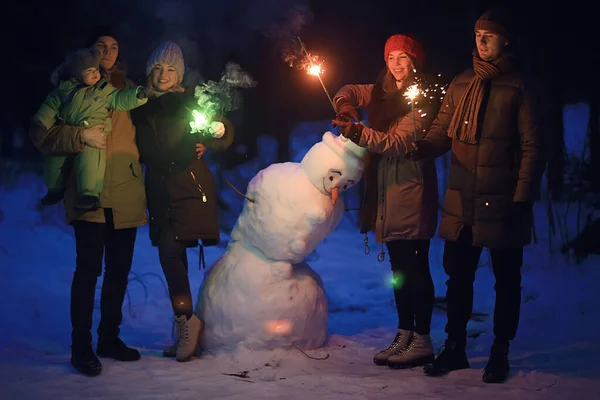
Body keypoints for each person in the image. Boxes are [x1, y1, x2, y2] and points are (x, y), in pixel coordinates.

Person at [406, 9, 543, 383]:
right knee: (458, 277)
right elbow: (441, 130)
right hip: (463, 202)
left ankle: (500, 351)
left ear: (506, 41)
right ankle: (455, 347)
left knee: (506, 280)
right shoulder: (462, 82)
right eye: (478, 34)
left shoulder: (521, 86)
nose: (481, 42)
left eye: (490, 36)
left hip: (503, 202)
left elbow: (532, 147)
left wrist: (521, 198)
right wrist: (422, 147)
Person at [30, 27, 148, 377]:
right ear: (88, 52)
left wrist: (206, 142)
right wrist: (79, 135)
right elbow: (41, 135)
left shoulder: (126, 91)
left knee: (119, 272)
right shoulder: (67, 91)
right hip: (87, 192)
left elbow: (161, 128)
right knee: (88, 271)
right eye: (101, 46)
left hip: (125, 191)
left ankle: (108, 338)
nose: (108, 52)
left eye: (114, 46)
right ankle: (80, 347)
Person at [331, 34, 442, 369]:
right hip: (387, 189)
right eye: (391, 57)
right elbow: (348, 90)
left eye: (403, 57)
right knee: (398, 269)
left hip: (411, 187)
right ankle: (404, 332)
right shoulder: (381, 91)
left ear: (415, 62)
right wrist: (346, 107)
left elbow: (398, 142)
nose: (396, 64)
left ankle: (422, 338)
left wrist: (357, 133)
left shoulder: (420, 96)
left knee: (415, 266)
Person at [131, 42, 233, 362]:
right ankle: (186, 320)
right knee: (171, 255)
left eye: (171, 69)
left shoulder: (191, 100)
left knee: (170, 250)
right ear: (150, 72)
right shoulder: (137, 104)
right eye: (158, 68)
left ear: (180, 74)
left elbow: (222, 129)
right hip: (158, 189)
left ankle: (186, 322)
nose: (163, 75)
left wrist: (217, 132)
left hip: (188, 184)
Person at [35, 48, 148, 210]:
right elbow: (49, 107)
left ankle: (89, 193)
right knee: (55, 160)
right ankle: (54, 189)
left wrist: (138, 95)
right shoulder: (62, 91)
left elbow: (119, 99)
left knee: (90, 161)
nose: (95, 74)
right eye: (89, 71)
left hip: (94, 130)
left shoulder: (103, 89)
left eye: (96, 70)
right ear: (76, 74)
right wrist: (41, 122)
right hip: (68, 130)